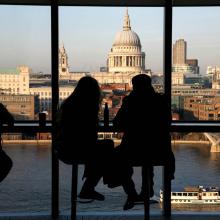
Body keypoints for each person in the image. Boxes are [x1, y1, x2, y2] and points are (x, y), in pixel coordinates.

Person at [113, 74, 175, 210]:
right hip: (160, 151)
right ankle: (147, 190)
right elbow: (167, 122)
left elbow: (117, 123)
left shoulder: (130, 101)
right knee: (148, 156)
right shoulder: (160, 100)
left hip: (133, 150)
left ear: (135, 86)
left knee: (116, 158)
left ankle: (131, 193)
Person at [56, 76, 106, 201]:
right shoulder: (87, 108)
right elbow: (88, 136)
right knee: (106, 147)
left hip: (63, 149)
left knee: (101, 150)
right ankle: (89, 187)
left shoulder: (68, 104)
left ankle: (89, 186)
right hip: (75, 150)